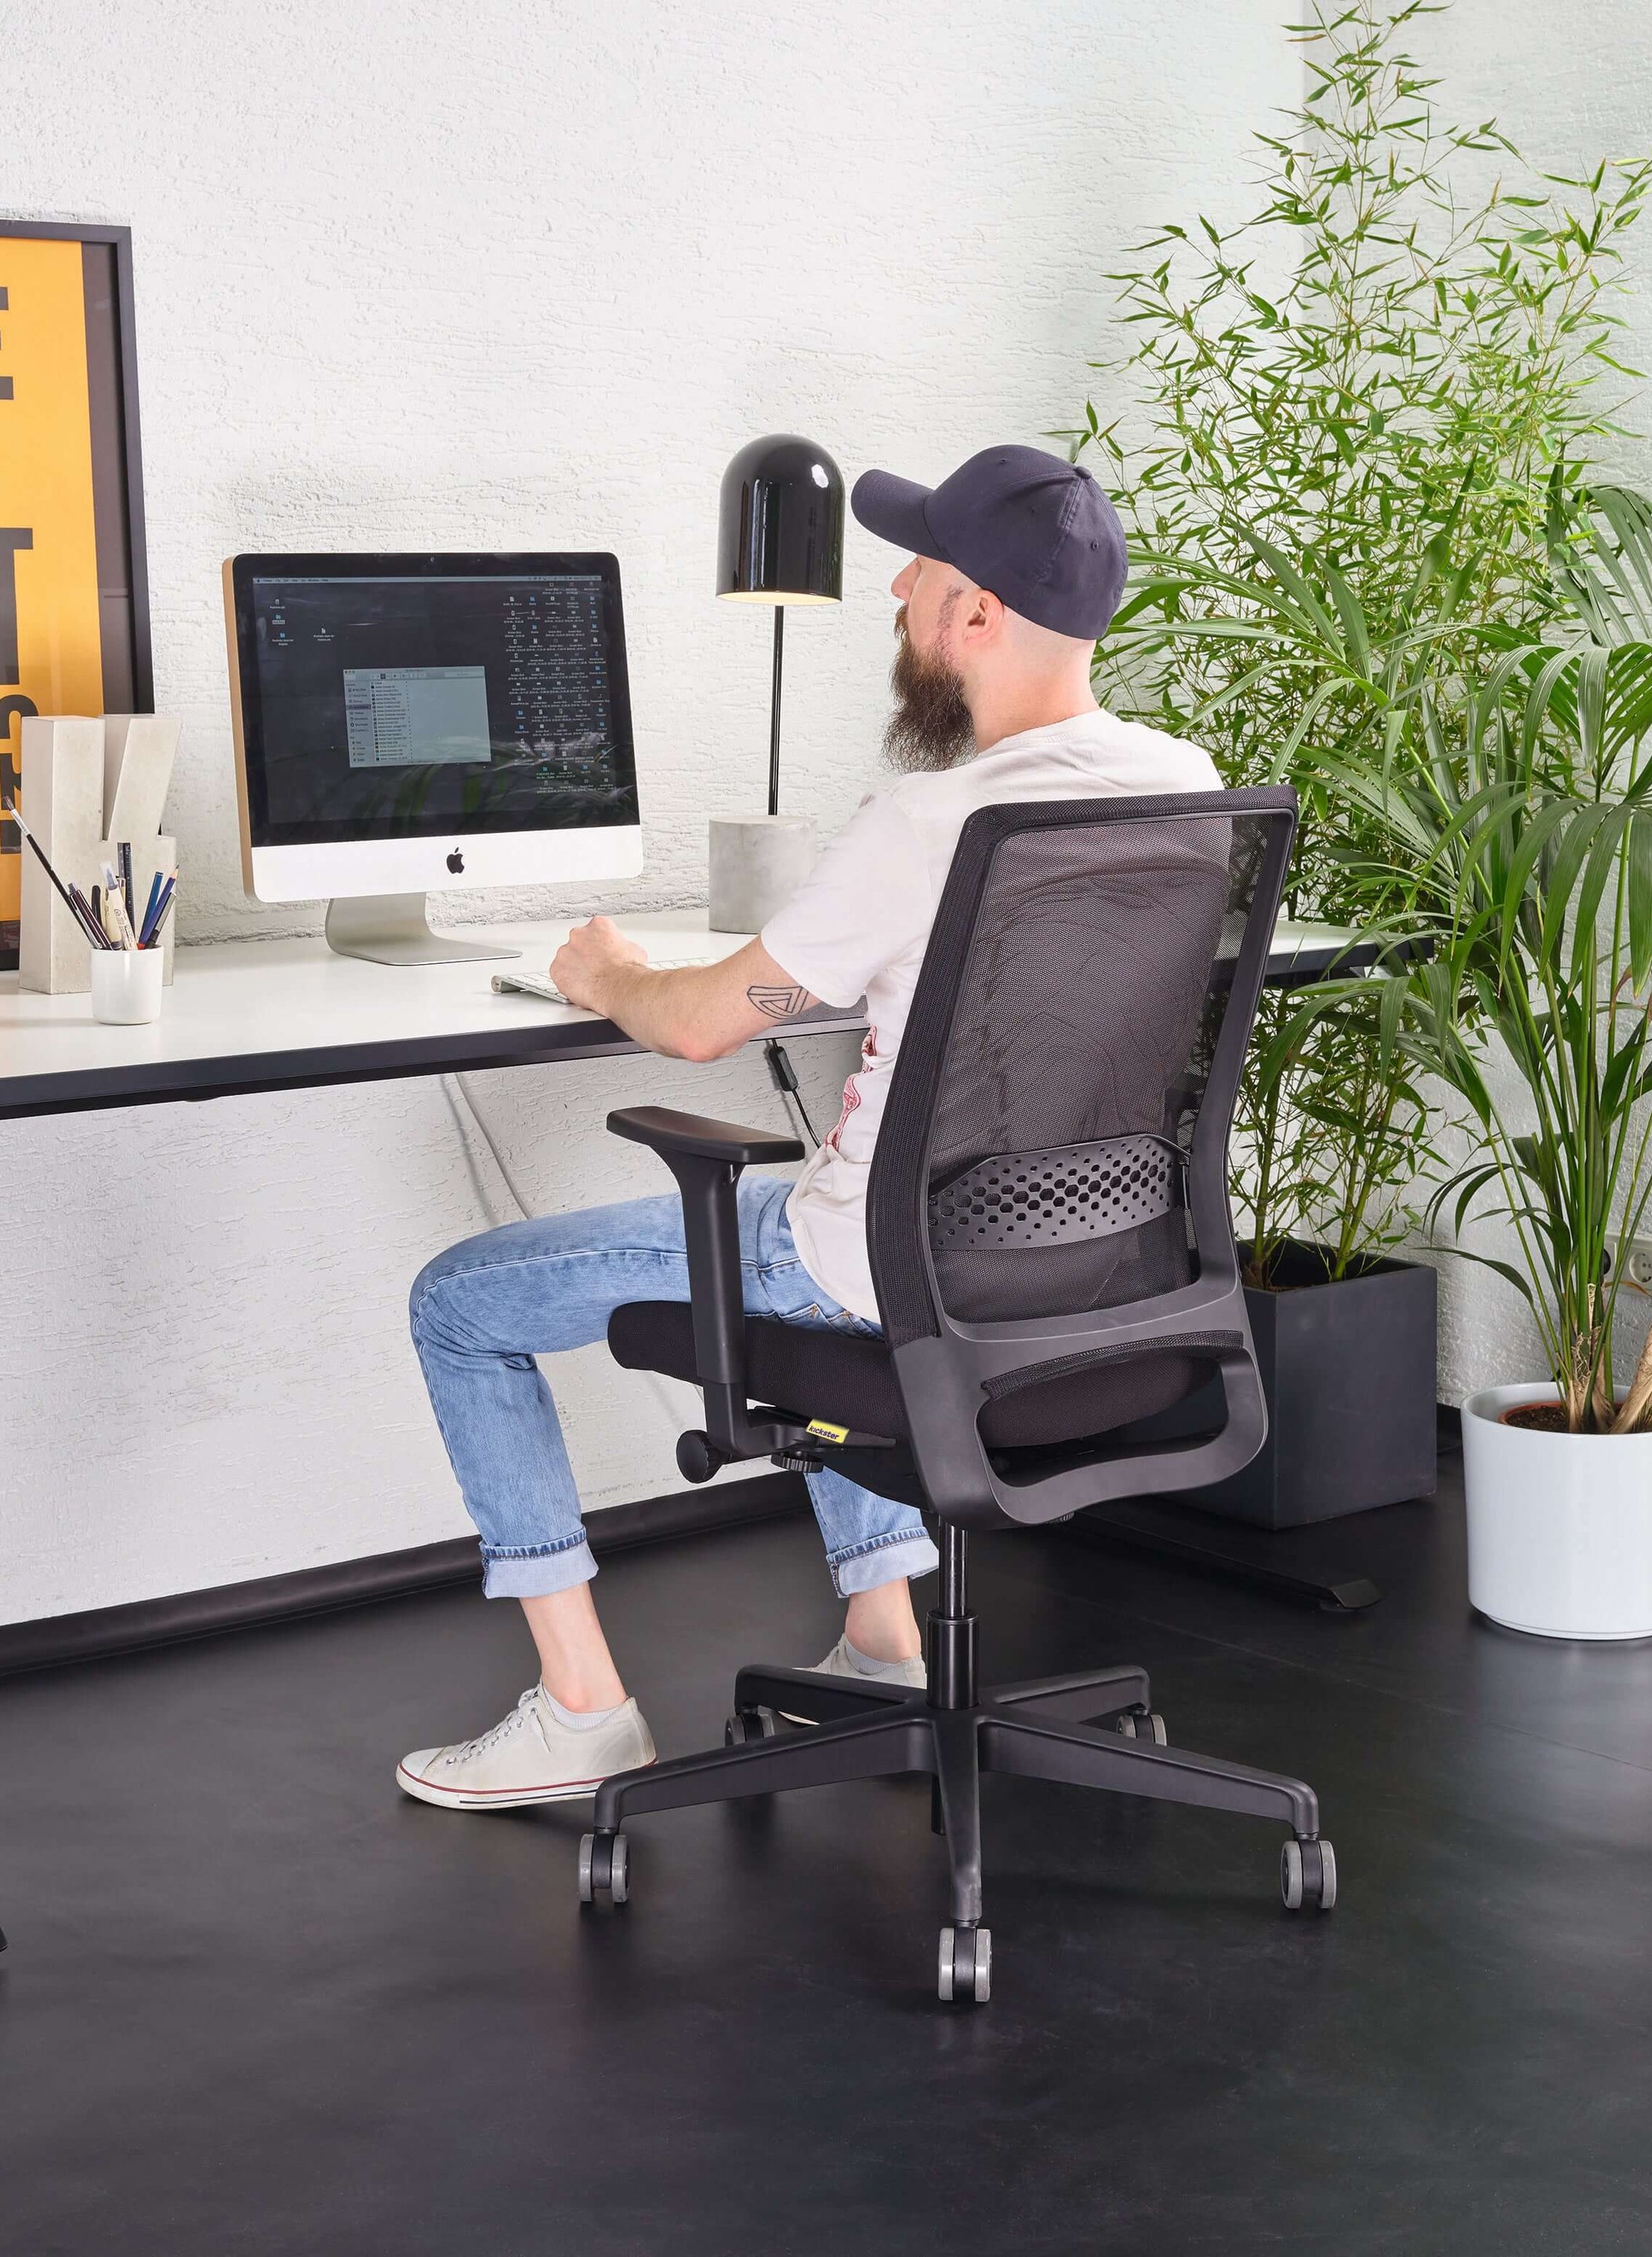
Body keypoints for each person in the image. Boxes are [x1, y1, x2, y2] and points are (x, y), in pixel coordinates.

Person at [395, 444, 1221, 1809]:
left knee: (458, 1302)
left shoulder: (936, 817)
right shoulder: (1182, 781)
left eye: (922, 570)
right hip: (1092, 1276)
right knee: (856, 1237)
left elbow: (705, 1024)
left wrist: (602, 975)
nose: (896, 587)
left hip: (880, 1268)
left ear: (977, 618)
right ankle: (889, 1644)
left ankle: (583, 1711)